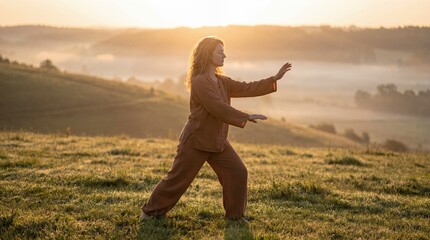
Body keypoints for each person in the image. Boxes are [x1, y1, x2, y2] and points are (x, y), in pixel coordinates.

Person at [140, 36, 292, 221]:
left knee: (238, 172)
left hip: (217, 141)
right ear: (208, 54)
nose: (224, 55)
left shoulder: (222, 81)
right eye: (220, 52)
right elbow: (217, 107)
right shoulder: (200, 81)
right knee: (177, 180)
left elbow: (246, 88)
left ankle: (235, 217)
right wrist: (245, 116)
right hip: (196, 141)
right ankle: (150, 213)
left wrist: (274, 79)